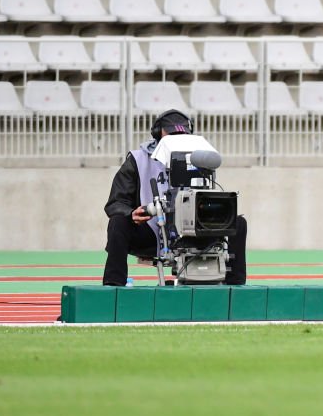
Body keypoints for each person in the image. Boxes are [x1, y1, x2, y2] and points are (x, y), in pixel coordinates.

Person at [102, 109, 247, 286]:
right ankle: (113, 286)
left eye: (181, 132)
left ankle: (236, 288)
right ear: (157, 134)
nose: (177, 135)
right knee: (118, 222)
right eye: (171, 132)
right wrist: (131, 213)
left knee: (238, 223)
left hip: (192, 230)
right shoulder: (138, 159)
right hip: (150, 230)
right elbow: (116, 202)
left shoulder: (199, 157)